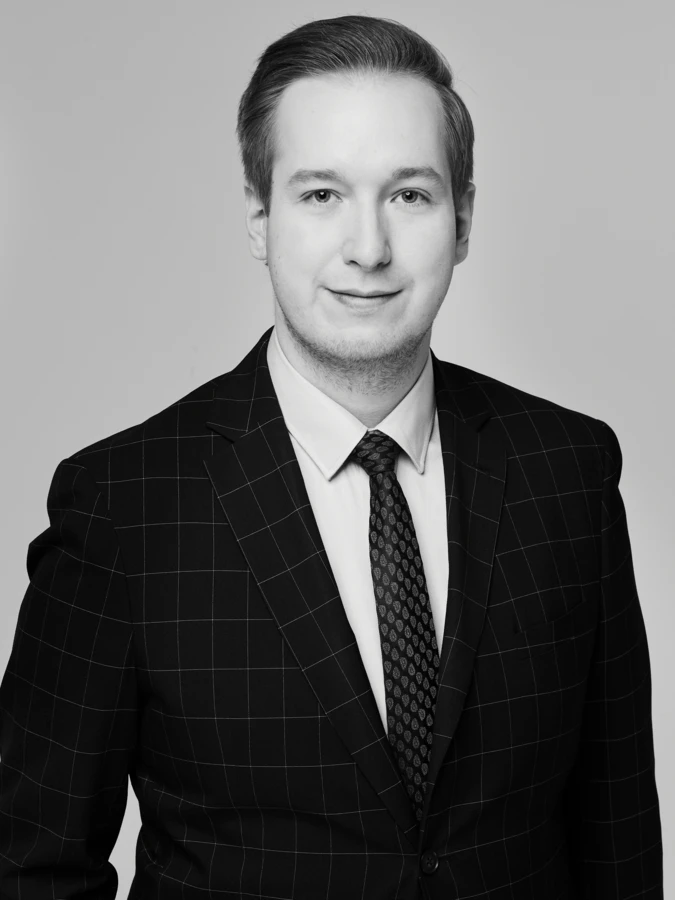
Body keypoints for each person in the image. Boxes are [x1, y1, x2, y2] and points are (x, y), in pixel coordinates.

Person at [0, 13, 662, 900]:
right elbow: (31, 867)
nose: (368, 248)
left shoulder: (568, 473)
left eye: (409, 195)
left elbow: (619, 843)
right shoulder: (124, 507)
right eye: (320, 195)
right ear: (259, 218)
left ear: (463, 220)